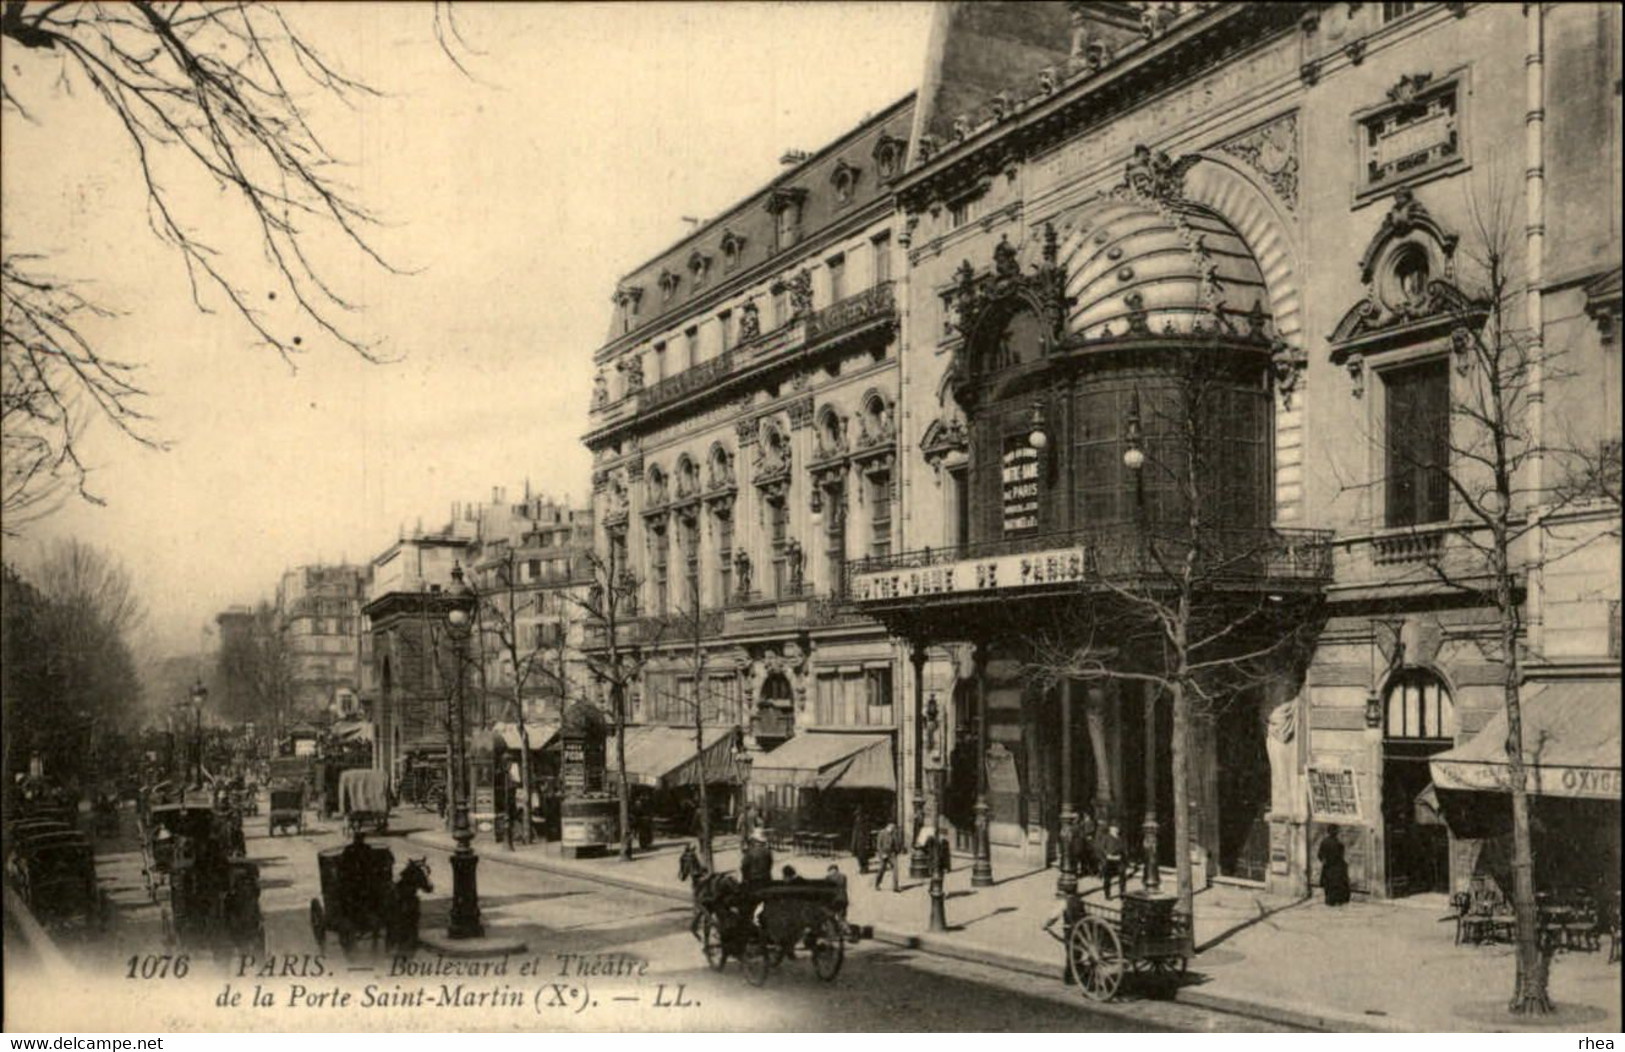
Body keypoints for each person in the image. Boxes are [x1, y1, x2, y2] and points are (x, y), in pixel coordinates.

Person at [1043, 893, 1087, 984]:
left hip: (1070, 930)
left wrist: (1046, 924)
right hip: (1081, 929)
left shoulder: (1064, 902)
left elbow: (1054, 916)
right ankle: (1076, 973)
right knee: (1077, 952)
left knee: (1070, 953)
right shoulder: (1079, 901)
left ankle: (1069, 977)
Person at [1319, 825, 1351, 906]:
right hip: (1336, 867)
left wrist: (1324, 861)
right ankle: (1337, 900)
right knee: (1336, 884)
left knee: (1328, 884)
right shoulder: (1338, 844)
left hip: (1327, 867)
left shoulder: (1324, 842)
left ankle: (1329, 900)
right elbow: (1341, 855)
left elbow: (1319, 855)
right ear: (1336, 833)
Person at [1098, 822, 1127, 900]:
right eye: (1114, 828)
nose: (1116, 830)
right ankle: (1107, 894)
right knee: (1108, 878)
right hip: (1109, 860)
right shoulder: (1106, 837)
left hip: (1119, 859)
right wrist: (1107, 855)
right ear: (1110, 829)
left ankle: (1122, 893)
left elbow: (1124, 848)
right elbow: (1101, 848)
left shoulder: (1120, 838)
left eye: (1117, 828)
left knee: (1122, 877)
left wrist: (1123, 856)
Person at [873, 820, 901, 892]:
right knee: (882, 869)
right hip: (884, 854)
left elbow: (896, 844)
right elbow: (878, 846)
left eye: (894, 827)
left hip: (892, 854)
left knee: (895, 869)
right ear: (888, 826)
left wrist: (896, 852)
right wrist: (882, 854)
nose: (893, 829)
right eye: (892, 827)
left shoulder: (893, 834)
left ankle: (896, 887)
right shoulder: (882, 833)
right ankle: (877, 884)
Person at [850, 808, 873, 874]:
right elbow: (854, 835)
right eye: (857, 816)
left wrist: (868, 844)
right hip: (858, 843)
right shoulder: (856, 825)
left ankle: (865, 868)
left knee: (864, 857)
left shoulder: (865, 824)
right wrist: (853, 845)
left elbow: (868, 835)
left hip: (863, 843)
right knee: (859, 857)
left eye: (858, 816)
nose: (858, 818)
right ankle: (862, 868)